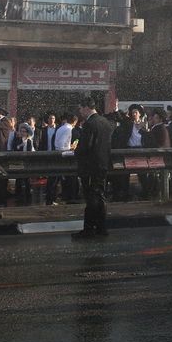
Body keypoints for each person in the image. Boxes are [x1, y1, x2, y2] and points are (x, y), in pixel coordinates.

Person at [72, 97, 114, 239]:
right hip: (103, 165)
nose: (80, 111)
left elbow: (85, 147)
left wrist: (75, 152)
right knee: (100, 196)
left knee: (91, 198)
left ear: (86, 107)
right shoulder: (105, 122)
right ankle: (101, 227)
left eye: (80, 108)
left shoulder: (90, 124)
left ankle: (88, 229)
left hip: (90, 167)